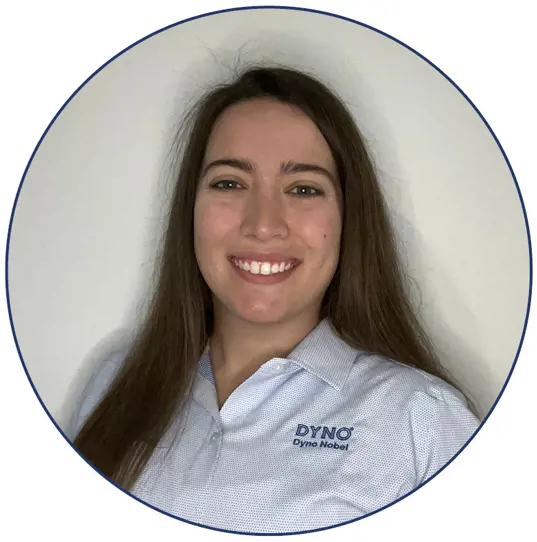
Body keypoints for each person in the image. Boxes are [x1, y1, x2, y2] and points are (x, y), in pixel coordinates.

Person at [69, 65, 480, 533]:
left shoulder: (422, 421)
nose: (263, 224)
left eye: (303, 189)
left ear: (349, 219)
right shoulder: (113, 384)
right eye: (229, 183)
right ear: (190, 210)